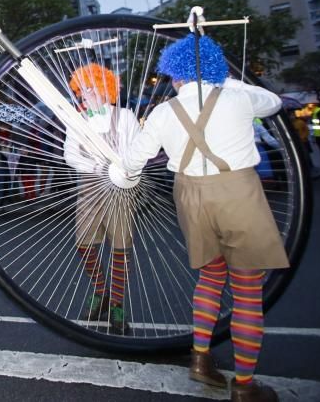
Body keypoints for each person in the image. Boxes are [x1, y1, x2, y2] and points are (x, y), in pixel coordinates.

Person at [123, 35, 287, 402]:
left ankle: (200, 358)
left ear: (174, 74)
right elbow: (273, 103)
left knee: (210, 276)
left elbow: (134, 160)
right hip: (237, 192)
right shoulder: (237, 97)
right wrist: (229, 80)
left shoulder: (163, 112)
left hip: (189, 197)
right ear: (213, 67)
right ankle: (244, 385)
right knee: (247, 289)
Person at [63, 63, 141, 334]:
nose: (84, 95)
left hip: (120, 190)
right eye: (81, 90)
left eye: (89, 89)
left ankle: (117, 304)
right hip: (89, 188)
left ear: (105, 88)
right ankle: (100, 291)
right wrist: (97, 167)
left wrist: (125, 168)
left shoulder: (125, 117)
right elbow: (70, 155)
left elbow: (139, 149)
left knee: (120, 248)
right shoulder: (78, 121)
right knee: (84, 244)